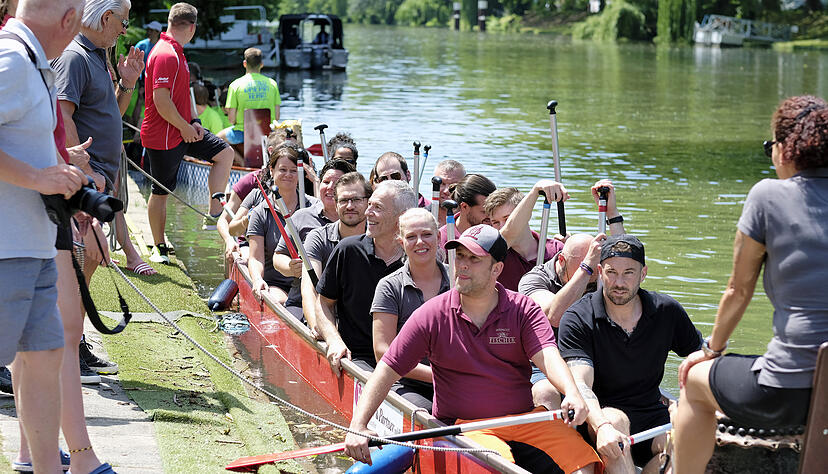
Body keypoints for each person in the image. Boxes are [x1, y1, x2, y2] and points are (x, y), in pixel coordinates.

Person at [344, 225, 601, 474]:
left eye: (475, 259)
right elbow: (387, 369)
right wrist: (359, 424)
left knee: (584, 463)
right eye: (461, 256)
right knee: (498, 467)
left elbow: (548, 355)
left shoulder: (524, 310)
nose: (463, 265)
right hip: (463, 428)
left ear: (497, 269)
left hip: (524, 420)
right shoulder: (431, 315)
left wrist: (571, 392)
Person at [673, 95, 828, 473]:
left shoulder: (768, 196)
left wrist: (711, 349)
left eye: (770, 146)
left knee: (694, 380)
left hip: (789, 389)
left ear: (786, 148)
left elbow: (738, 290)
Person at [0, 0, 88, 472]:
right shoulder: (13, 59)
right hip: (5, 249)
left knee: (45, 356)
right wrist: (40, 179)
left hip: (30, 246)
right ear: (69, 19)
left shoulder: (33, 61)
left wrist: (59, 173)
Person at [558, 234, 702, 473]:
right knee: (615, 422)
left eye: (629, 273)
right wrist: (602, 425)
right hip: (599, 419)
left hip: (651, 415)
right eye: (612, 272)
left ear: (643, 274)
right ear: (600, 272)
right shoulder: (577, 318)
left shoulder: (667, 311)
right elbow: (581, 384)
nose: (619, 282)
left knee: (688, 443)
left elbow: (701, 358)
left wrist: (692, 403)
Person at [52, 0, 152, 278]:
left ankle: (73, 320)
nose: (124, 31)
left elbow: (111, 114)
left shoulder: (96, 55)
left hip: (100, 178)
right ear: (107, 17)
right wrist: (87, 171)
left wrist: (128, 82)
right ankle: (70, 321)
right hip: (86, 180)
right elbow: (62, 116)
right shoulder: (74, 57)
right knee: (80, 263)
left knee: (89, 262)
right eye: (124, 22)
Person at [141, 2, 234, 264]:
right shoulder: (165, 54)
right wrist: (184, 126)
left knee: (224, 154)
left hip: (183, 130)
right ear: (192, 28)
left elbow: (182, 96)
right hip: (163, 136)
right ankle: (158, 247)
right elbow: (161, 101)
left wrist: (193, 120)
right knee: (160, 192)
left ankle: (214, 211)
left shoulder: (177, 52)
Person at [316, 180, 417, 374]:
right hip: (359, 360)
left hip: (408, 365)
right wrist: (334, 341)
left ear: (402, 217)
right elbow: (323, 304)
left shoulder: (417, 260)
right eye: (369, 205)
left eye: (377, 207)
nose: (367, 213)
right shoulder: (348, 250)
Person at [370, 208, 450, 410]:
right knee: (431, 416)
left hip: (457, 381)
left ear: (439, 237)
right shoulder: (389, 287)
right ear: (401, 243)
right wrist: (438, 375)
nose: (420, 242)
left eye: (427, 234)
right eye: (411, 237)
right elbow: (382, 352)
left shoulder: (459, 280)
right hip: (407, 384)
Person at [519, 233, 604, 410]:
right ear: (562, 260)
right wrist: (586, 269)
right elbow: (554, 316)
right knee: (546, 393)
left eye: (594, 272)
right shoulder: (534, 279)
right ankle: (555, 434)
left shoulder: (601, 277)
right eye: (588, 271)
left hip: (588, 358)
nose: (591, 280)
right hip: (544, 364)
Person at [273, 158, 355, 319]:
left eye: (336, 183)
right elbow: (278, 256)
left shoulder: (358, 222)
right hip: (301, 301)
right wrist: (290, 267)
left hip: (346, 306)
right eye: (326, 182)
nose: (330, 187)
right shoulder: (301, 217)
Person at [300, 172, 370, 336]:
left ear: (368, 202)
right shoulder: (317, 238)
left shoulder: (379, 239)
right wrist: (317, 326)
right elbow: (309, 290)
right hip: (327, 319)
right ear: (336, 204)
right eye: (344, 200)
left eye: (357, 200)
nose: (350, 206)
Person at [246, 145, 316, 304]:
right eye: (283, 169)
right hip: (276, 285)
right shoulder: (260, 212)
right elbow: (256, 259)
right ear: (271, 170)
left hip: (310, 283)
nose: (288, 175)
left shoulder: (313, 206)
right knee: (280, 301)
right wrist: (257, 280)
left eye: (293, 171)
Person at [486, 181, 567, 291]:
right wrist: (535, 190)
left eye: (508, 219)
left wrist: (571, 248)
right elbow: (510, 232)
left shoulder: (557, 249)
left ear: (527, 214)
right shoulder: (494, 252)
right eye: (495, 222)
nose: (502, 227)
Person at [218, 47, 281, 153]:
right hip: (268, 133)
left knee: (217, 138)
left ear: (244, 63)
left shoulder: (235, 85)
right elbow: (277, 116)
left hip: (242, 133)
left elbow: (231, 119)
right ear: (261, 64)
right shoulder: (272, 84)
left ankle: (239, 162)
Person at [437, 173, 496, 250]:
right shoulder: (442, 240)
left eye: (493, 211)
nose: (491, 217)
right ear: (464, 206)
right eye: (484, 212)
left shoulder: (497, 233)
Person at [428, 159, 465, 226]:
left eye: (453, 184)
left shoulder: (471, 218)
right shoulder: (422, 217)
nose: (446, 191)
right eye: (441, 183)